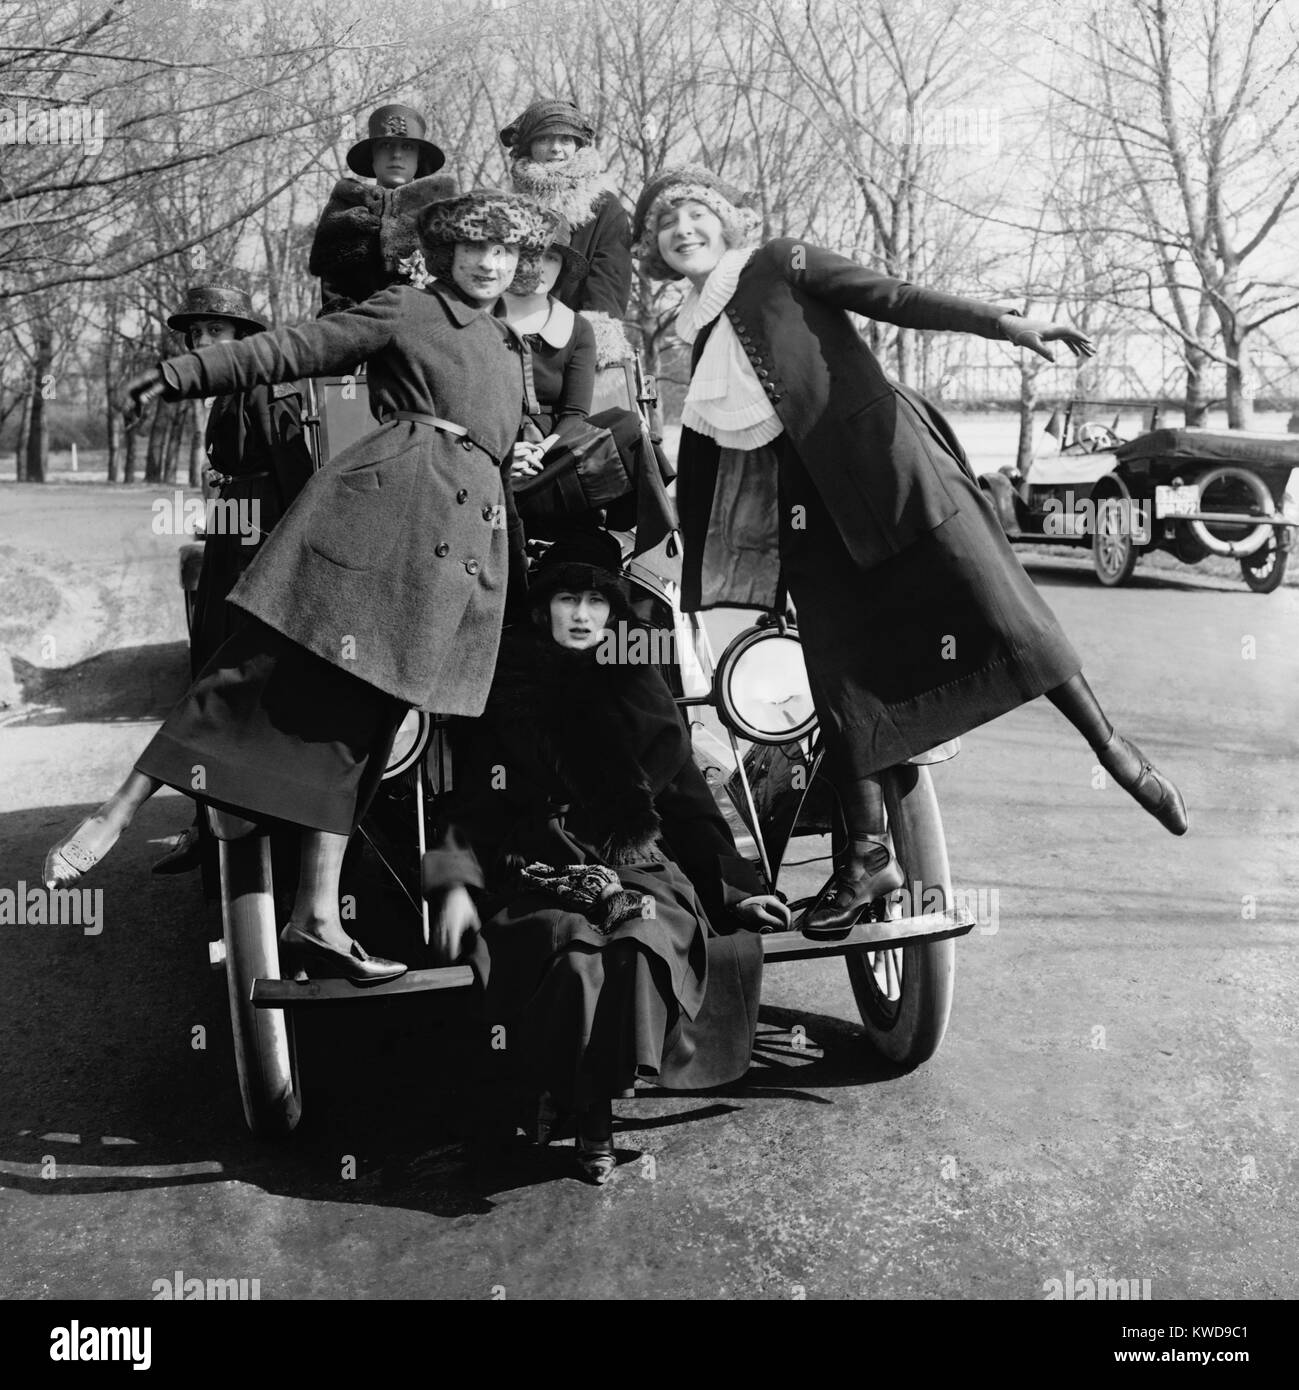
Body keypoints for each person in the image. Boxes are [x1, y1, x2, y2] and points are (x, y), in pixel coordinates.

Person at [631, 165, 1189, 941]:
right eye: (665, 226)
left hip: (886, 461)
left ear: (723, 221)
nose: (682, 231)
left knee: (989, 595)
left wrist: (1005, 324)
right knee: (836, 667)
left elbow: (890, 295)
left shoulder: (777, 261)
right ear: (655, 249)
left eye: (694, 215)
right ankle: (866, 854)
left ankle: (1113, 747)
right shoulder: (691, 325)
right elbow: (721, 444)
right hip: (804, 503)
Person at [43, 190, 554, 986]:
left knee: (364, 733)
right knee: (256, 674)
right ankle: (117, 810)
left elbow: (496, 433)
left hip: (454, 553)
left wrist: (514, 456)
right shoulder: (410, 309)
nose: (491, 263)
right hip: (383, 519)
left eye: (506, 252)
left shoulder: (506, 342)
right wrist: (181, 374)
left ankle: (316, 918)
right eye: (475, 248)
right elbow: (292, 349)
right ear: (446, 253)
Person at [422, 530, 789, 1183]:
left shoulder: (638, 680)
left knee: (637, 939)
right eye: (569, 599)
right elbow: (473, 804)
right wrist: (451, 881)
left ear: (615, 612)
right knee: (565, 946)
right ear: (543, 609)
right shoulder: (505, 684)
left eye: (597, 601)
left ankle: (589, 1117)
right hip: (542, 865)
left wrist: (733, 888)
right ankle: (584, 1120)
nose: (584, 615)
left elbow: (686, 800)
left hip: (639, 864)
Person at [152, 283, 315, 876]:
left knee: (233, 680)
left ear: (245, 339)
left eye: (215, 332)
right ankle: (208, 821)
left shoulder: (266, 388)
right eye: (196, 335)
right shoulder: (226, 394)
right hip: (230, 536)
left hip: (258, 546)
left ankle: (240, 827)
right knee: (208, 673)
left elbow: (296, 477)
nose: (202, 343)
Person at [502, 220, 675, 552]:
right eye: (530, 255)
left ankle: (638, 547)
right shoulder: (481, 320)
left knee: (629, 429)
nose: (540, 267)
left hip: (554, 456)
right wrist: (508, 454)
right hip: (493, 452)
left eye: (551, 258)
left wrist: (540, 450)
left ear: (563, 266)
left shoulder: (577, 327)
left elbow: (575, 413)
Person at [309, 104, 457, 316]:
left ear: (418, 158)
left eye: (407, 147)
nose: (396, 155)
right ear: (372, 155)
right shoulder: (346, 207)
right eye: (386, 144)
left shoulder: (441, 214)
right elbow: (334, 295)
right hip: (356, 336)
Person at [502, 98, 632, 332]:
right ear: (529, 146)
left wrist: (588, 343)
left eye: (565, 139)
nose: (555, 148)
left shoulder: (604, 206)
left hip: (576, 334)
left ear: (578, 146)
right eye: (543, 138)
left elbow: (609, 285)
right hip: (512, 328)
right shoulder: (507, 205)